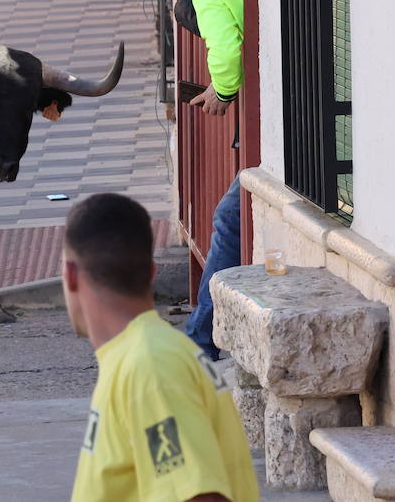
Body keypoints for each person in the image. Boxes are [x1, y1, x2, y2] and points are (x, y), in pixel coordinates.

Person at [62, 192, 258, 502]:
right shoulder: (147, 355)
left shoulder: (149, 366)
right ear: (151, 272)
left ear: (71, 275)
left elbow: (198, 495)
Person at [172, 0, 246, 359]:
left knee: (228, 218)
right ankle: (203, 336)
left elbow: (225, 48)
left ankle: (201, 341)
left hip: (282, 122)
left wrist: (221, 93)